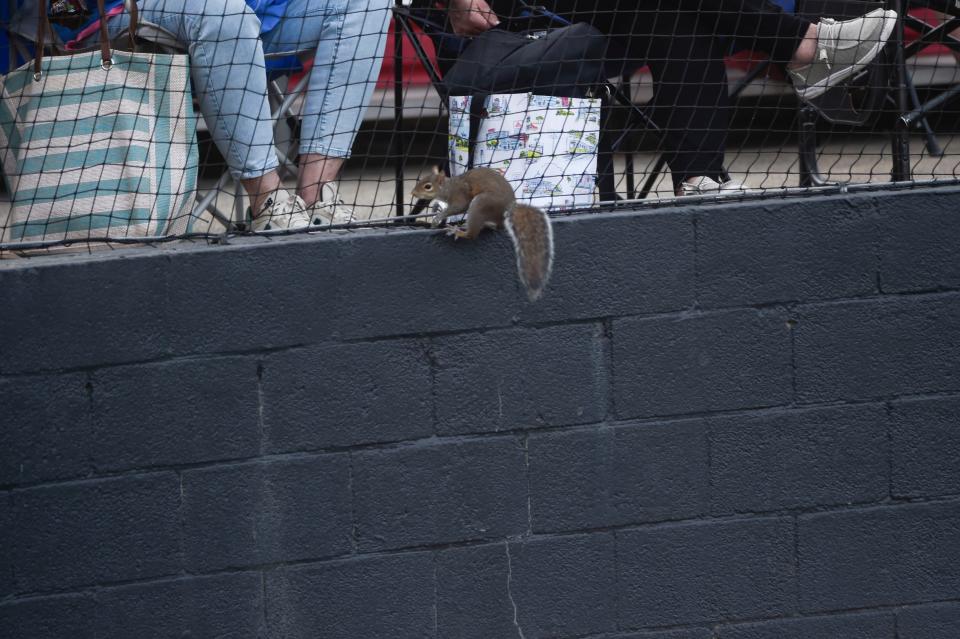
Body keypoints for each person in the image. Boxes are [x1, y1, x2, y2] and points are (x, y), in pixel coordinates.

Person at [444, 0, 897, 196]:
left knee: (672, 15)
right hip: (511, 21)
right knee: (672, 11)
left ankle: (699, 179)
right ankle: (806, 47)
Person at [51, 0, 392, 231]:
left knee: (366, 2)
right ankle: (267, 204)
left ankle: (317, 198)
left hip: (259, 15)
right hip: (132, 17)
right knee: (225, 12)